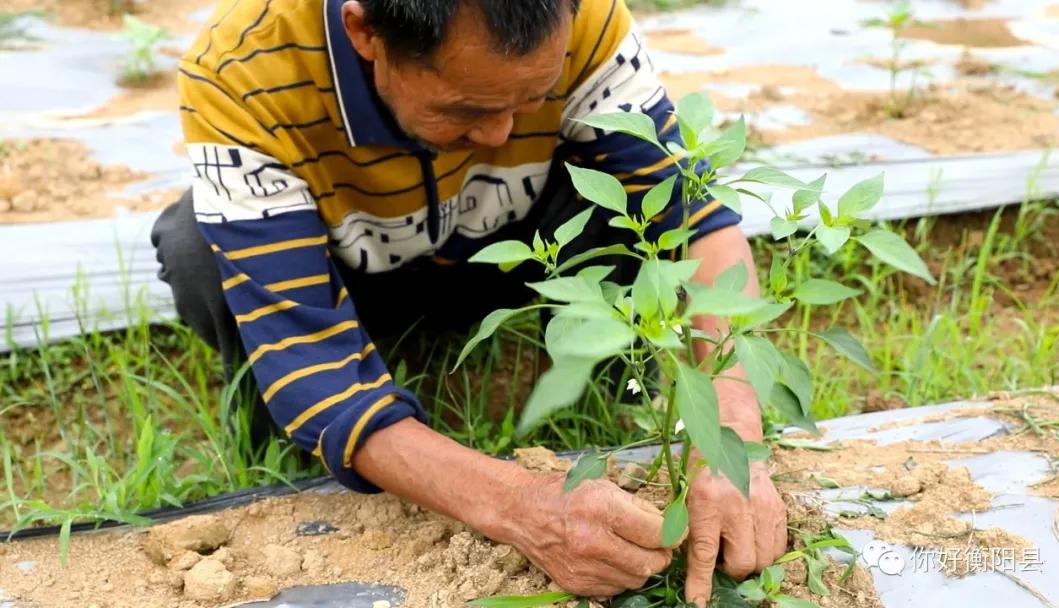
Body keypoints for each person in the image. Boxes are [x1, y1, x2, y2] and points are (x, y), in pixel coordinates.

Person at [151, 0, 787, 602]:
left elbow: (695, 218)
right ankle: (296, 441)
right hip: (353, 274)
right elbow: (310, 360)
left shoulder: (583, 15)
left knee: (642, 208)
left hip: (519, 248)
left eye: (532, 98)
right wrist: (519, 505)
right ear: (366, 34)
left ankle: (627, 385)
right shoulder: (242, 72)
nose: (501, 133)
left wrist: (727, 427)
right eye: (465, 108)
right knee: (193, 246)